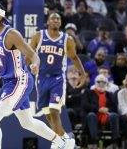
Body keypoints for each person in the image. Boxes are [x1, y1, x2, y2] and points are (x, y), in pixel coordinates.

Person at [0, 4, 74, 149]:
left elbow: (33, 54)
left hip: (21, 81)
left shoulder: (11, 34)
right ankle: (63, 142)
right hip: (8, 83)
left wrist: (35, 64)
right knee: (27, 123)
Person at [30, 12, 86, 146]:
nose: (55, 20)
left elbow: (74, 58)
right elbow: (30, 55)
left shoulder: (67, 40)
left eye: (58, 19)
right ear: (48, 22)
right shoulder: (38, 36)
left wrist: (83, 74)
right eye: (53, 18)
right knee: (47, 114)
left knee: (55, 111)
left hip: (57, 79)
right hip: (41, 78)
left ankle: (57, 144)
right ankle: (67, 140)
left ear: (60, 23)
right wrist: (28, 67)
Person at [82, 74, 120, 149]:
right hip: (92, 116)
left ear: (106, 84)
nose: (101, 84)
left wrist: (107, 109)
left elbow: (115, 107)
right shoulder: (88, 92)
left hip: (106, 116)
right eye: (99, 82)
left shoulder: (110, 94)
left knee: (114, 115)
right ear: (95, 83)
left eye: (103, 82)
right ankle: (94, 142)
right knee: (91, 115)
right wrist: (98, 109)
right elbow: (85, 105)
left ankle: (115, 142)